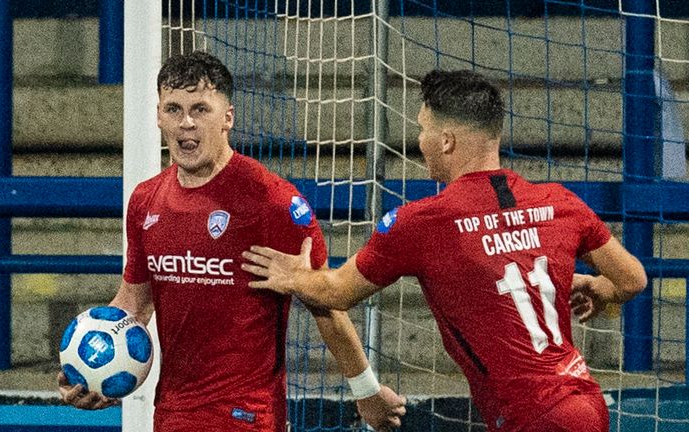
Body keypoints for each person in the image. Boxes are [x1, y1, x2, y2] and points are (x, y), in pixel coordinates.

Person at [242, 69, 648, 432]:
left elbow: (335, 293)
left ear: (447, 140)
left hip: (532, 415)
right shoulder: (560, 201)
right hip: (586, 402)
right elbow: (632, 278)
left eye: (422, 129)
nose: (419, 141)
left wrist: (295, 276)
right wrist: (600, 288)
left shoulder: (423, 222)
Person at [57, 51, 406, 431]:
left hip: (248, 416)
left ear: (228, 118)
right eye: (173, 109)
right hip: (173, 415)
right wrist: (91, 370)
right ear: (158, 115)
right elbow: (135, 304)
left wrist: (366, 390)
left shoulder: (272, 202)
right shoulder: (146, 200)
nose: (186, 123)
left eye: (201, 109)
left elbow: (326, 302)